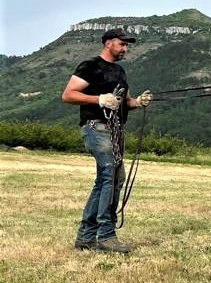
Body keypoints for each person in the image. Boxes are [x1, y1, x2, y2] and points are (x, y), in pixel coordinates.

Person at [61, 28, 152, 253]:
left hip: (114, 129)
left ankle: (86, 238)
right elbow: (68, 95)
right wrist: (99, 99)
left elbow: (125, 101)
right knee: (110, 175)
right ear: (108, 43)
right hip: (96, 127)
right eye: (122, 44)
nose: (125, 49)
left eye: (127, 45)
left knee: (108, 179)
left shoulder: (120, 72)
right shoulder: (89, 66)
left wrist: (138, 102)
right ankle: (106, 235)